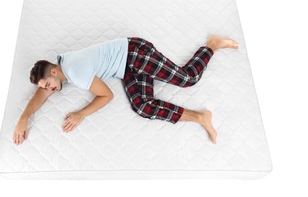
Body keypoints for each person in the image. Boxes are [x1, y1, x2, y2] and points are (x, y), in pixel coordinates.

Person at [13, 35, 239, 145]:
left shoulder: (75, 71)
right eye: (47, 89)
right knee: (142, 106)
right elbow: (40, 94)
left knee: (188, 79)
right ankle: (201, 117)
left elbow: (106, 95)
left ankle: (212, 44)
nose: (50, 90)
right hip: (126, 69)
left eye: (47, 85)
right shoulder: (62, 70)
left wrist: (81, 114)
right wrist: (24, 118)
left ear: (52, 72)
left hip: (135, 53)